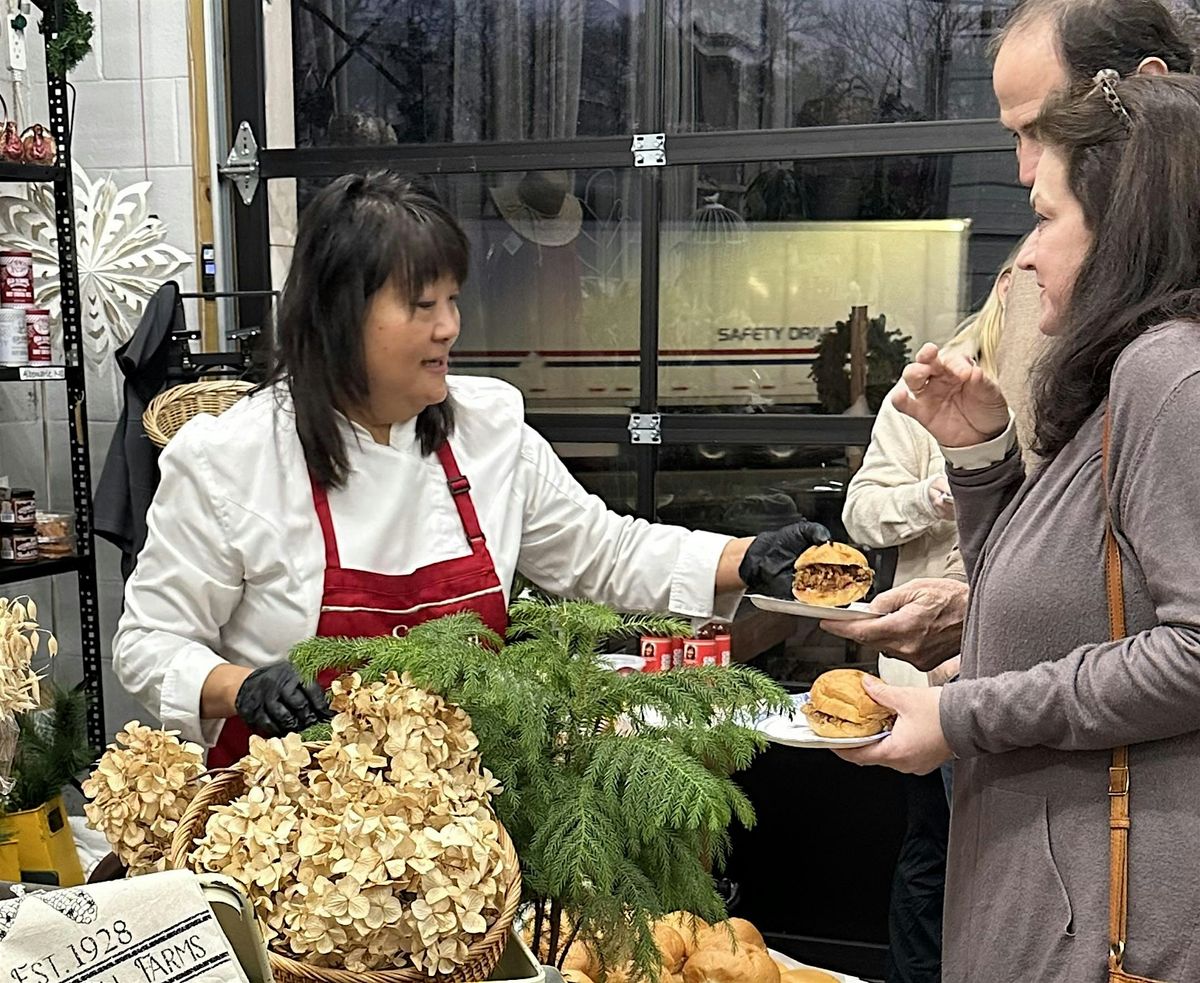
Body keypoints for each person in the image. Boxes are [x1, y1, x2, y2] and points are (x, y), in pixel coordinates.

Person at [112, 172, 830, 764]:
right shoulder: (228, 459)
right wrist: (239, 685)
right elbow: (147, 644)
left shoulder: (490, 429)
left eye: (453, 299)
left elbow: (603, 551)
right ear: (339, 313)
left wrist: (744, 557)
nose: (450, 325)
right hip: (288, 836)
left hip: (458, 836)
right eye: (423, 304)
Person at [840, 73, 1200, 982]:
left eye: (1045, 218)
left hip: (1106, 931)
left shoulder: (1169, 375)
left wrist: (959, 716)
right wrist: (982, 460)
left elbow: (1196, 648)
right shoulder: (1125, 377)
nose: (1026, 255)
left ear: (1123, 232)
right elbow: (1043, 608)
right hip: (1052, 907)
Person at [820, 0, 1196, 673]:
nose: (1023, 169)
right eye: (1014, 137)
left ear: (1143, 87)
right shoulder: (1038, 275)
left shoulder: (1168, 361)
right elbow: (1058, 529)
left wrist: (980, 641)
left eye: (1041, 129)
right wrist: (983, 463)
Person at [840, 254, 1018, 983]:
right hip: (926, 678)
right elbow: (861, 513)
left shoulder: (1066, 386)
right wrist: (940, 493)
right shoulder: (923, 391)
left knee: (994, 860)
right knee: (936, 851)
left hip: (1016, 679)